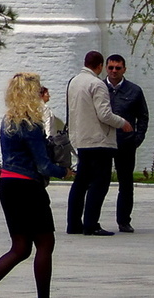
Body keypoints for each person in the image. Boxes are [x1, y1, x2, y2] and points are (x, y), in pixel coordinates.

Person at [0, 72, 68, 298]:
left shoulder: (7, 121)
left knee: (20, 248)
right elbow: (43, 165)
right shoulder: (31, 123)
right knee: (45, 243)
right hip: (27, 186)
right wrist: (63, 171)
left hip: (8, 183)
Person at [62, 50, 129, 235]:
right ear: (100, 66)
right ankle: (91, 224)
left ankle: (73, 223)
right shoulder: (97, 84)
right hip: (99, 140)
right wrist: (122, 123)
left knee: (80, 182)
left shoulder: (73, 82)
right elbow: (104, 114)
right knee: (99, 183)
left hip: (81, 139)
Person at [102, 55, 146, 234]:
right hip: (102, 142)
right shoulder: (98, 88)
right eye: (111, 67)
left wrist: (137, 138)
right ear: (106, 68)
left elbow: (143, 116)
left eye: (117, 68)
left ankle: (124, 220)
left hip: (125, 143)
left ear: (124, 69)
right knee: (99, 182)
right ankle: (92, 220)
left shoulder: (134, 91)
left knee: (126, 183)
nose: (114, 71)